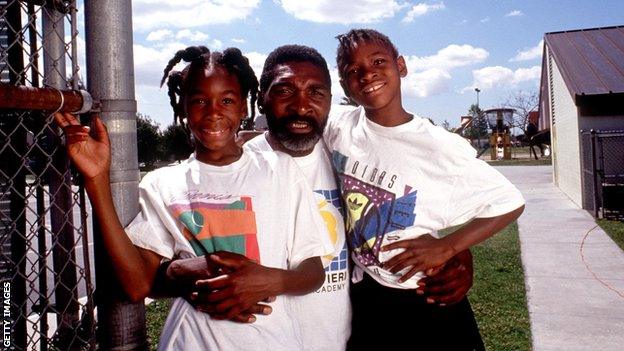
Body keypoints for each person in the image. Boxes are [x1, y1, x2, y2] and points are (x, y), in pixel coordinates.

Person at [165, 44, 478, 350]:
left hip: (344, 337)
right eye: (285, 91)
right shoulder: (237, 166)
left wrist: (458, 254)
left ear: (331, 101)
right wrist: (181, 270)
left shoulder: (351, 156)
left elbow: (410, 219)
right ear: (261, 99)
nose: (301, 106)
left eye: (316, 93)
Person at [54, 46, 333, 350]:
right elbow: (136, 286)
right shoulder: (163, 184)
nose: (213, 112)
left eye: (227, 100)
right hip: (189, 342)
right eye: (199, 100)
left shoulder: (281, 170)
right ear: (183, 108)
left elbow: (313, 273)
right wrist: (96, 181)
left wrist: (268, 280)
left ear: (244, 107)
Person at [326, 29, 526, 350]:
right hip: (367, 291)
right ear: (344, 85)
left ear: (401, 66)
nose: (368, 74)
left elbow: (508, 202)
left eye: (379, 61)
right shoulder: (339, 126)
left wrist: (449, 247)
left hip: (422, 296)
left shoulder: (439, 146)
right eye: (353, 70)